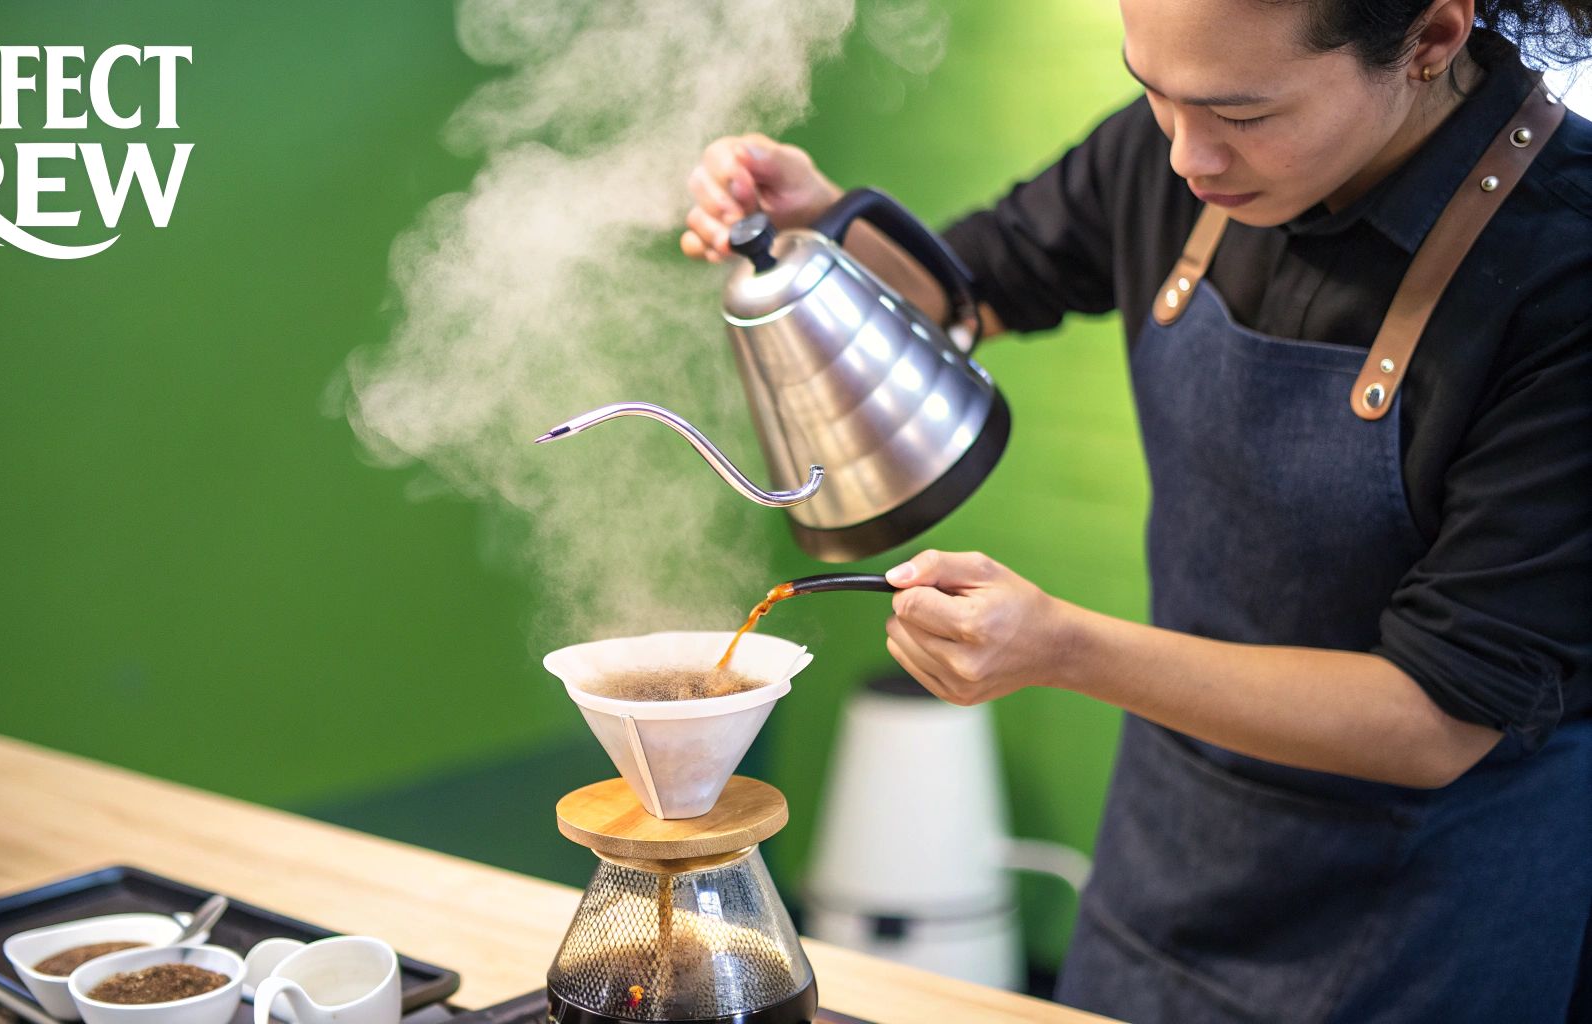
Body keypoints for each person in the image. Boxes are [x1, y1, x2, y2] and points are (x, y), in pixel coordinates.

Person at [682, 0, 1591, 1020]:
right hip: (1164, 870)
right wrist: (817, 229)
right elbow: (966, 286)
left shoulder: (1563, 270)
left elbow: (1436, 716)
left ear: (1428, 39)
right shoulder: (1172, 147)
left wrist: (1061, 647)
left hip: (1422, 917)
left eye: (1240, 115)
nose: (1186, 155)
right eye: (1151, 93)